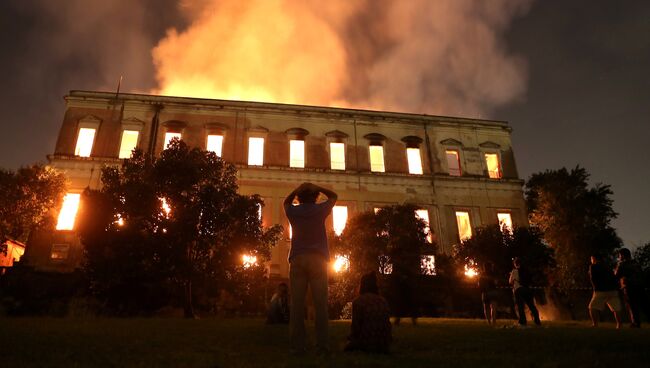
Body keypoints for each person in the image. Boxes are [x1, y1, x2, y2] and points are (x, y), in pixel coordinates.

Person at [284, 182, 337, 355]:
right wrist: (318, 187)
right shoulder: (320, 210)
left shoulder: (293, 211)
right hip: (318, 259)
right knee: (320, 304)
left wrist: (297, 188)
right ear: (315, 197)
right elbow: (334, 196)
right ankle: (322, 345)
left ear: (299, 197)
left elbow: (286, 202)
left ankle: (297, 346)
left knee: (297, 305)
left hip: (298, 258)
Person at [345, 272, 392, 353]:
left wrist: (351, 339)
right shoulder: (383, 301)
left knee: (348, 346)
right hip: (384, 343)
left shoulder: (358, 301)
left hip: (366, 343)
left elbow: (355, 327)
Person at [615, 248, 650, 328]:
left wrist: (616, 269)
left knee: (632, 306)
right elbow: (642, 274)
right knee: (645, 306)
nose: (619, 257)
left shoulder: (622, 264)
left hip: (629, 287)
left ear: (623, 255)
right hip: (640, 287)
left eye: (619, 255)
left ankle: (635, 323)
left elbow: (617, 276)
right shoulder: (636, 263)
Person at [588, 254, 622, 328]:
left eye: (591, 259)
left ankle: (595, 324)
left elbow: (593, 278)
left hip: (601, 291)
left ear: (594, 258)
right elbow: (614, 277)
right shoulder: (608, 266)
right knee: (616, 309)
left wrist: (595, 289)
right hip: (613, 290)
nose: (591, 261)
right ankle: (619, 325)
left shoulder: (593, 266)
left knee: (592, 307)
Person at [509, 257, 541, 326]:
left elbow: (510, 282)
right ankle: (537, 321)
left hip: (518, 290)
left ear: (515, 264)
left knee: (520, 306)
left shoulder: (514, 271)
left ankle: (523, 322)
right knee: (531, 306)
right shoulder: (526, 270)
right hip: (527, 289)